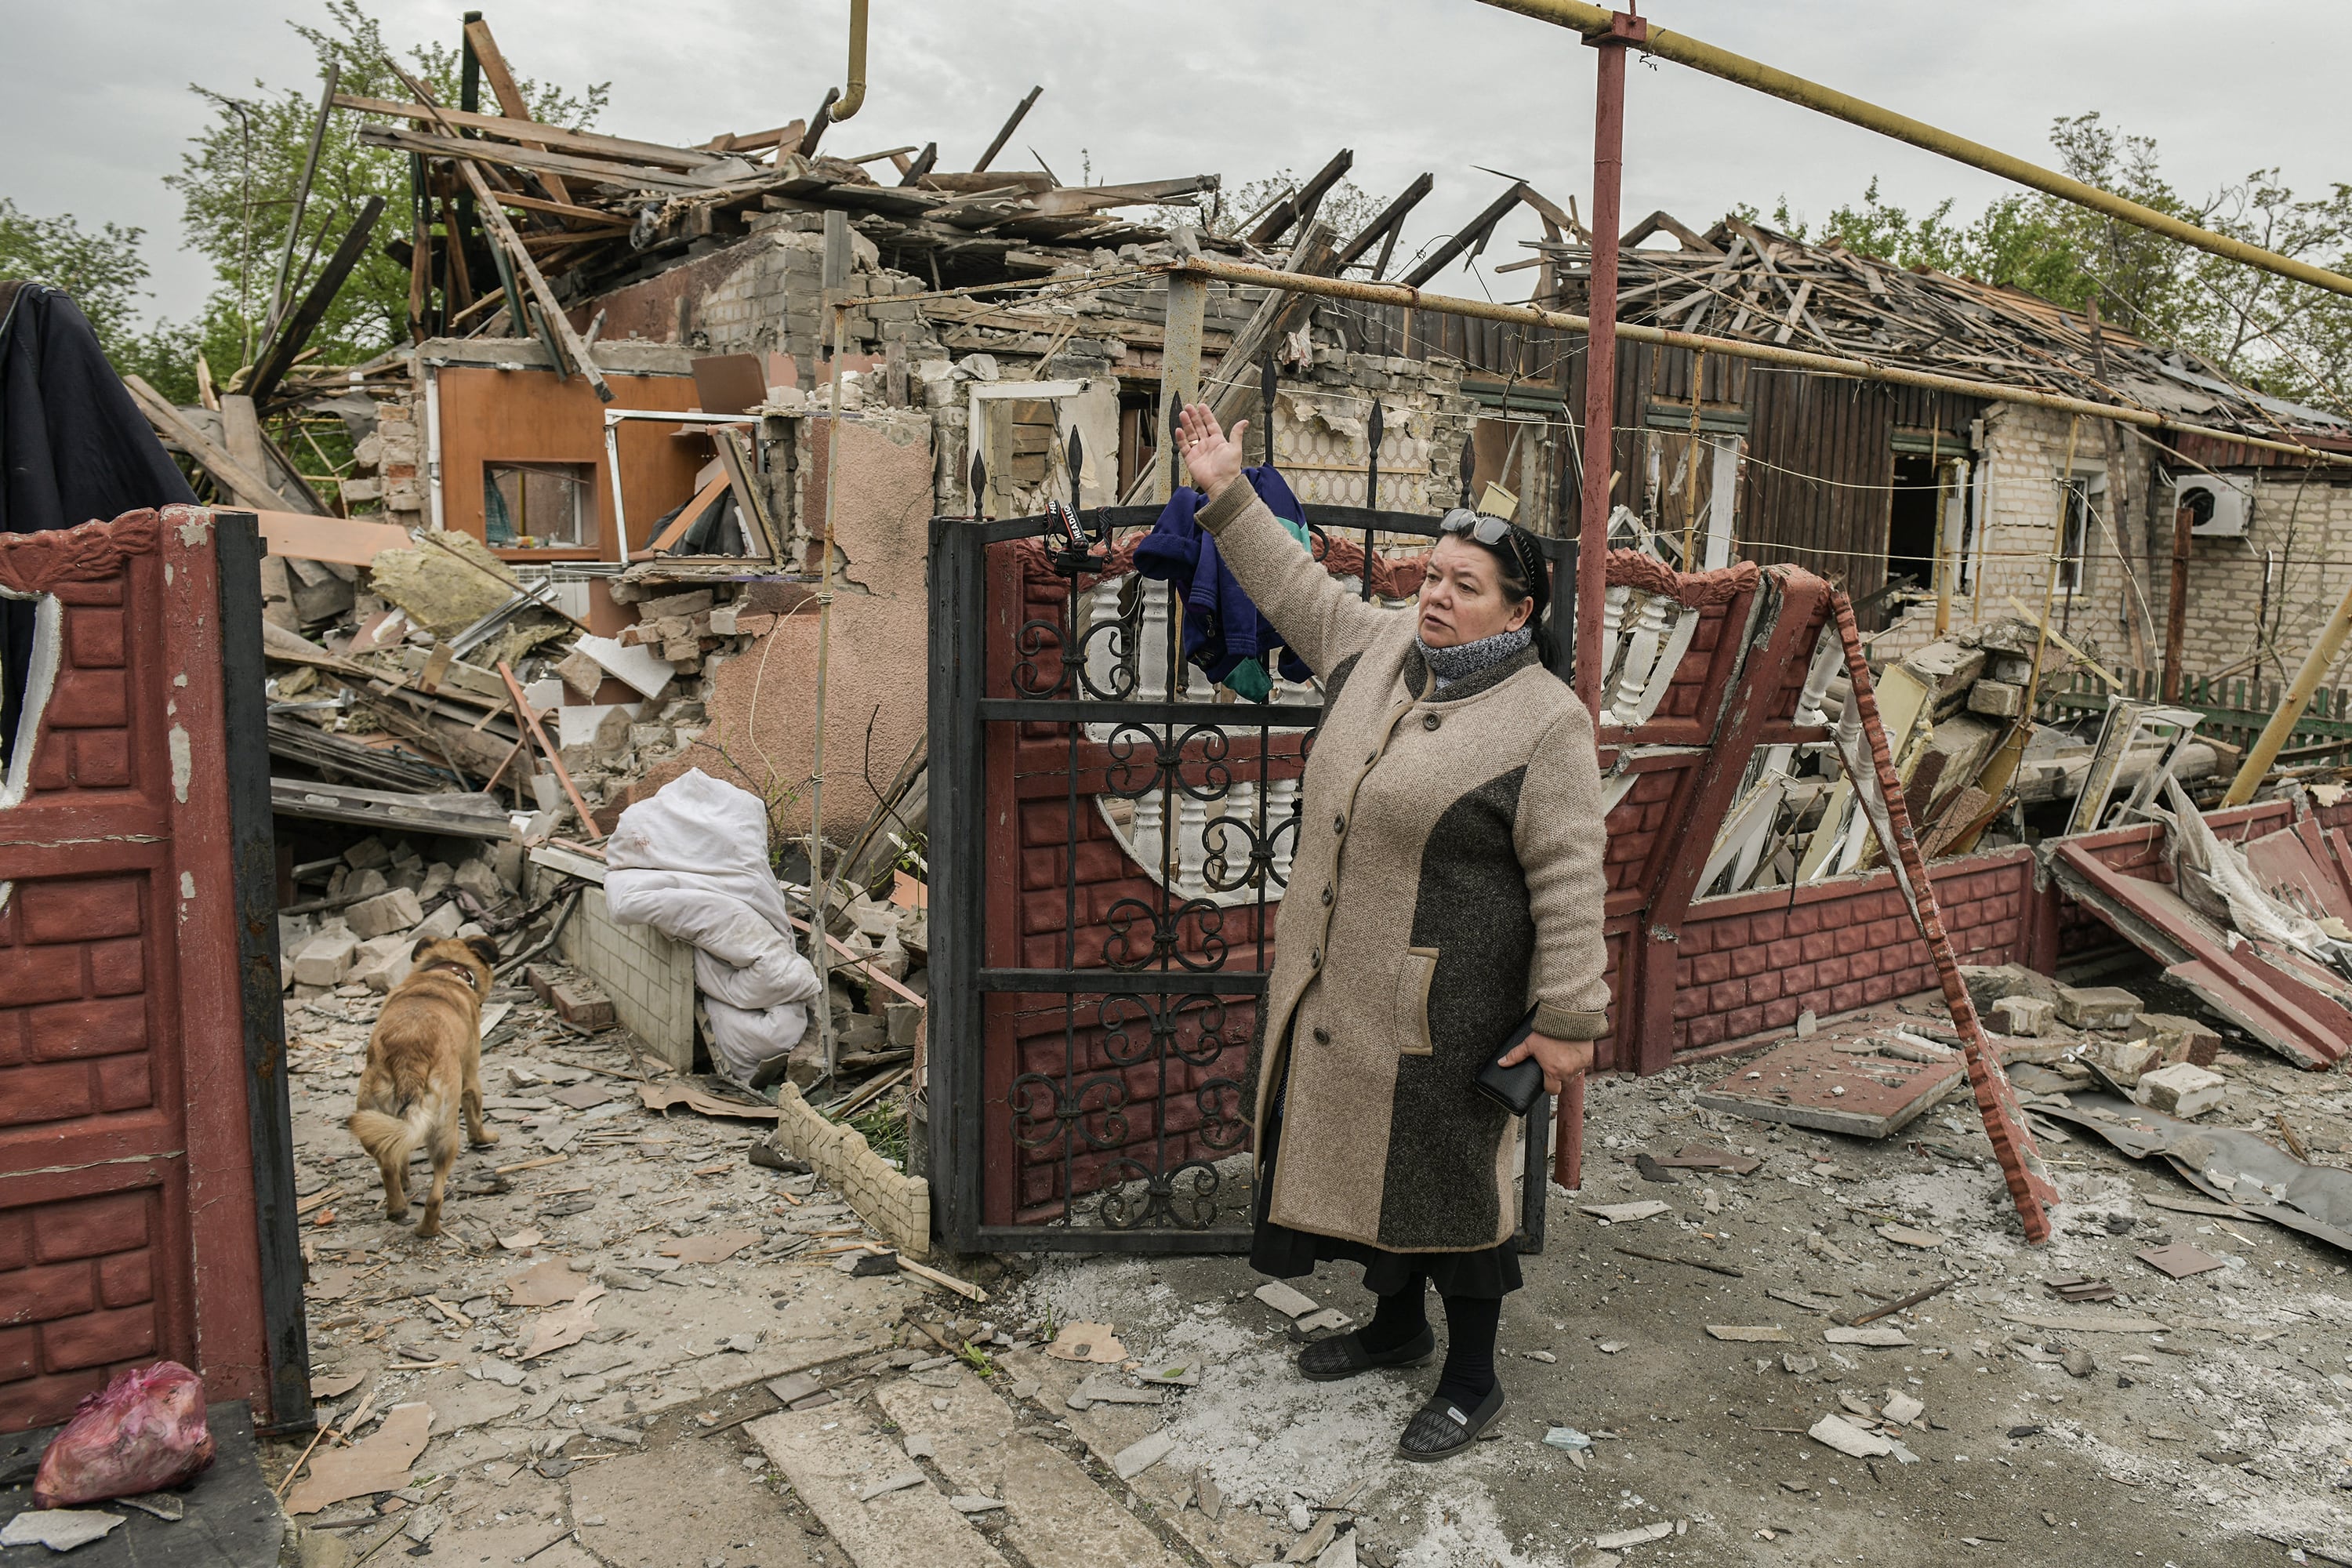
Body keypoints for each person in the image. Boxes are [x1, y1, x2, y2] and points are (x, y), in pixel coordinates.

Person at [1173, 402, 1610, 1461]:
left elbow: (1570, 877)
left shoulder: (1547, 720)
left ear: (1520, 607)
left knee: (1448, 1187)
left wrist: (1567, 1020)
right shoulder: (1376, 647)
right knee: (1373, 1177)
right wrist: (1226, 489)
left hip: (1452, 1005)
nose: (1438, 598)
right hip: (1346, 983)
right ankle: (1396, 1328)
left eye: (1466, 586)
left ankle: (1472, 1380)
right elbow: (1291, 586)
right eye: (1431, 577)